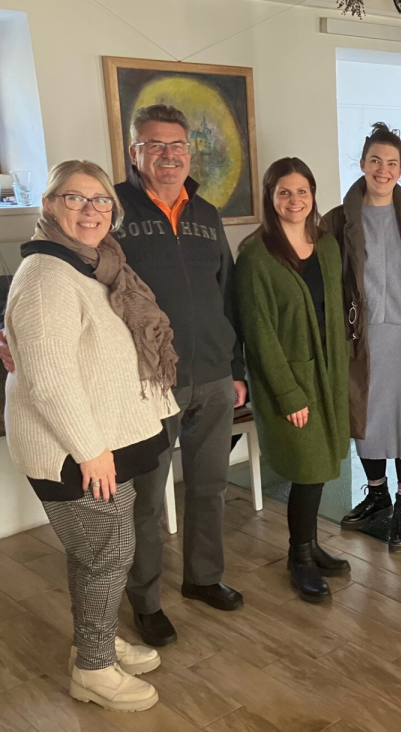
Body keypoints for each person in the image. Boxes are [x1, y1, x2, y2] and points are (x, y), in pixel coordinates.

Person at [4, 161, 178, 711]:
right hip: (74, 450)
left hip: (101, 440)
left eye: (101, 200)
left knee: (97, 554)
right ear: (48, 205)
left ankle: (93, 642)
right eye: (74, 198)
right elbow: (49, 380)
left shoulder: (92, 266)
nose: (90, 210)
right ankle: (94, 670)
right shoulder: (46, 278)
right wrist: (91, 451)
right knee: (108, 554)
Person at [113, 104, 246, 645]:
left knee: (210, 485)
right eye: (155, 145)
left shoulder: (206, 214)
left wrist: (236, 369)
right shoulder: (112, 211)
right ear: (135, 153)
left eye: (177, 146)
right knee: (146, 498)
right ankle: (145, 601)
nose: (168, 156)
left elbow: (227, 294)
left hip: (212, 375)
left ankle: (203, 578)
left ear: (189, 152)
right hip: (148, 382)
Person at [323, 123, 401, 553]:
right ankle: (377, 495)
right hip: (361, 338)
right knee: (367, 418)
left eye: (392, 162)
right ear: (362, 163)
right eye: (375, 160)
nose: (383, 169)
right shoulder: (337, 220)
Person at [235, 158, 351, 602]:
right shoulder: (255, 255)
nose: (294, 200)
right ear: (271, 197)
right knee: (307, 467)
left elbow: (334, 309)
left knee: (319, 469)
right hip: (290, 380)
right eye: (284, 192)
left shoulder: (326, 245)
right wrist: (287, 393)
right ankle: (298, 557)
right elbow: (258, 333)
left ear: (313, 195)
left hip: (328, 374)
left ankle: (310, 545)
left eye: (302, 191)